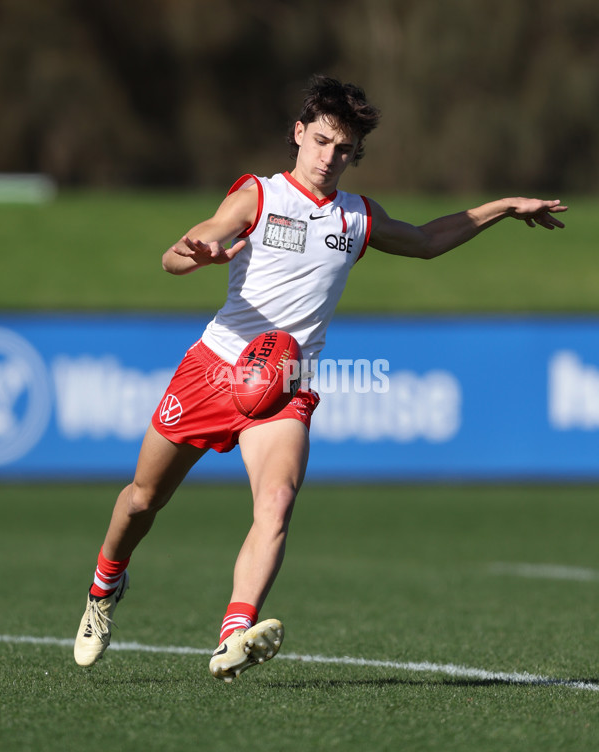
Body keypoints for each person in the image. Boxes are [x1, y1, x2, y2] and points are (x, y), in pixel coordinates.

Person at [74, 74, 567, 681]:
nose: (331, 157)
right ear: (299, 135)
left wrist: (503, 206)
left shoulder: (357, 217)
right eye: (324, 141)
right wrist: (195, 253)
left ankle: (234, 631)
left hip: (286, 383)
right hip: (213, 368)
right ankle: (104, 587)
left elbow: (425, 240)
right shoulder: (257, 196)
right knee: (142, 499)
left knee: (276, 503)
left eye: (345, 149)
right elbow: (181, 251)